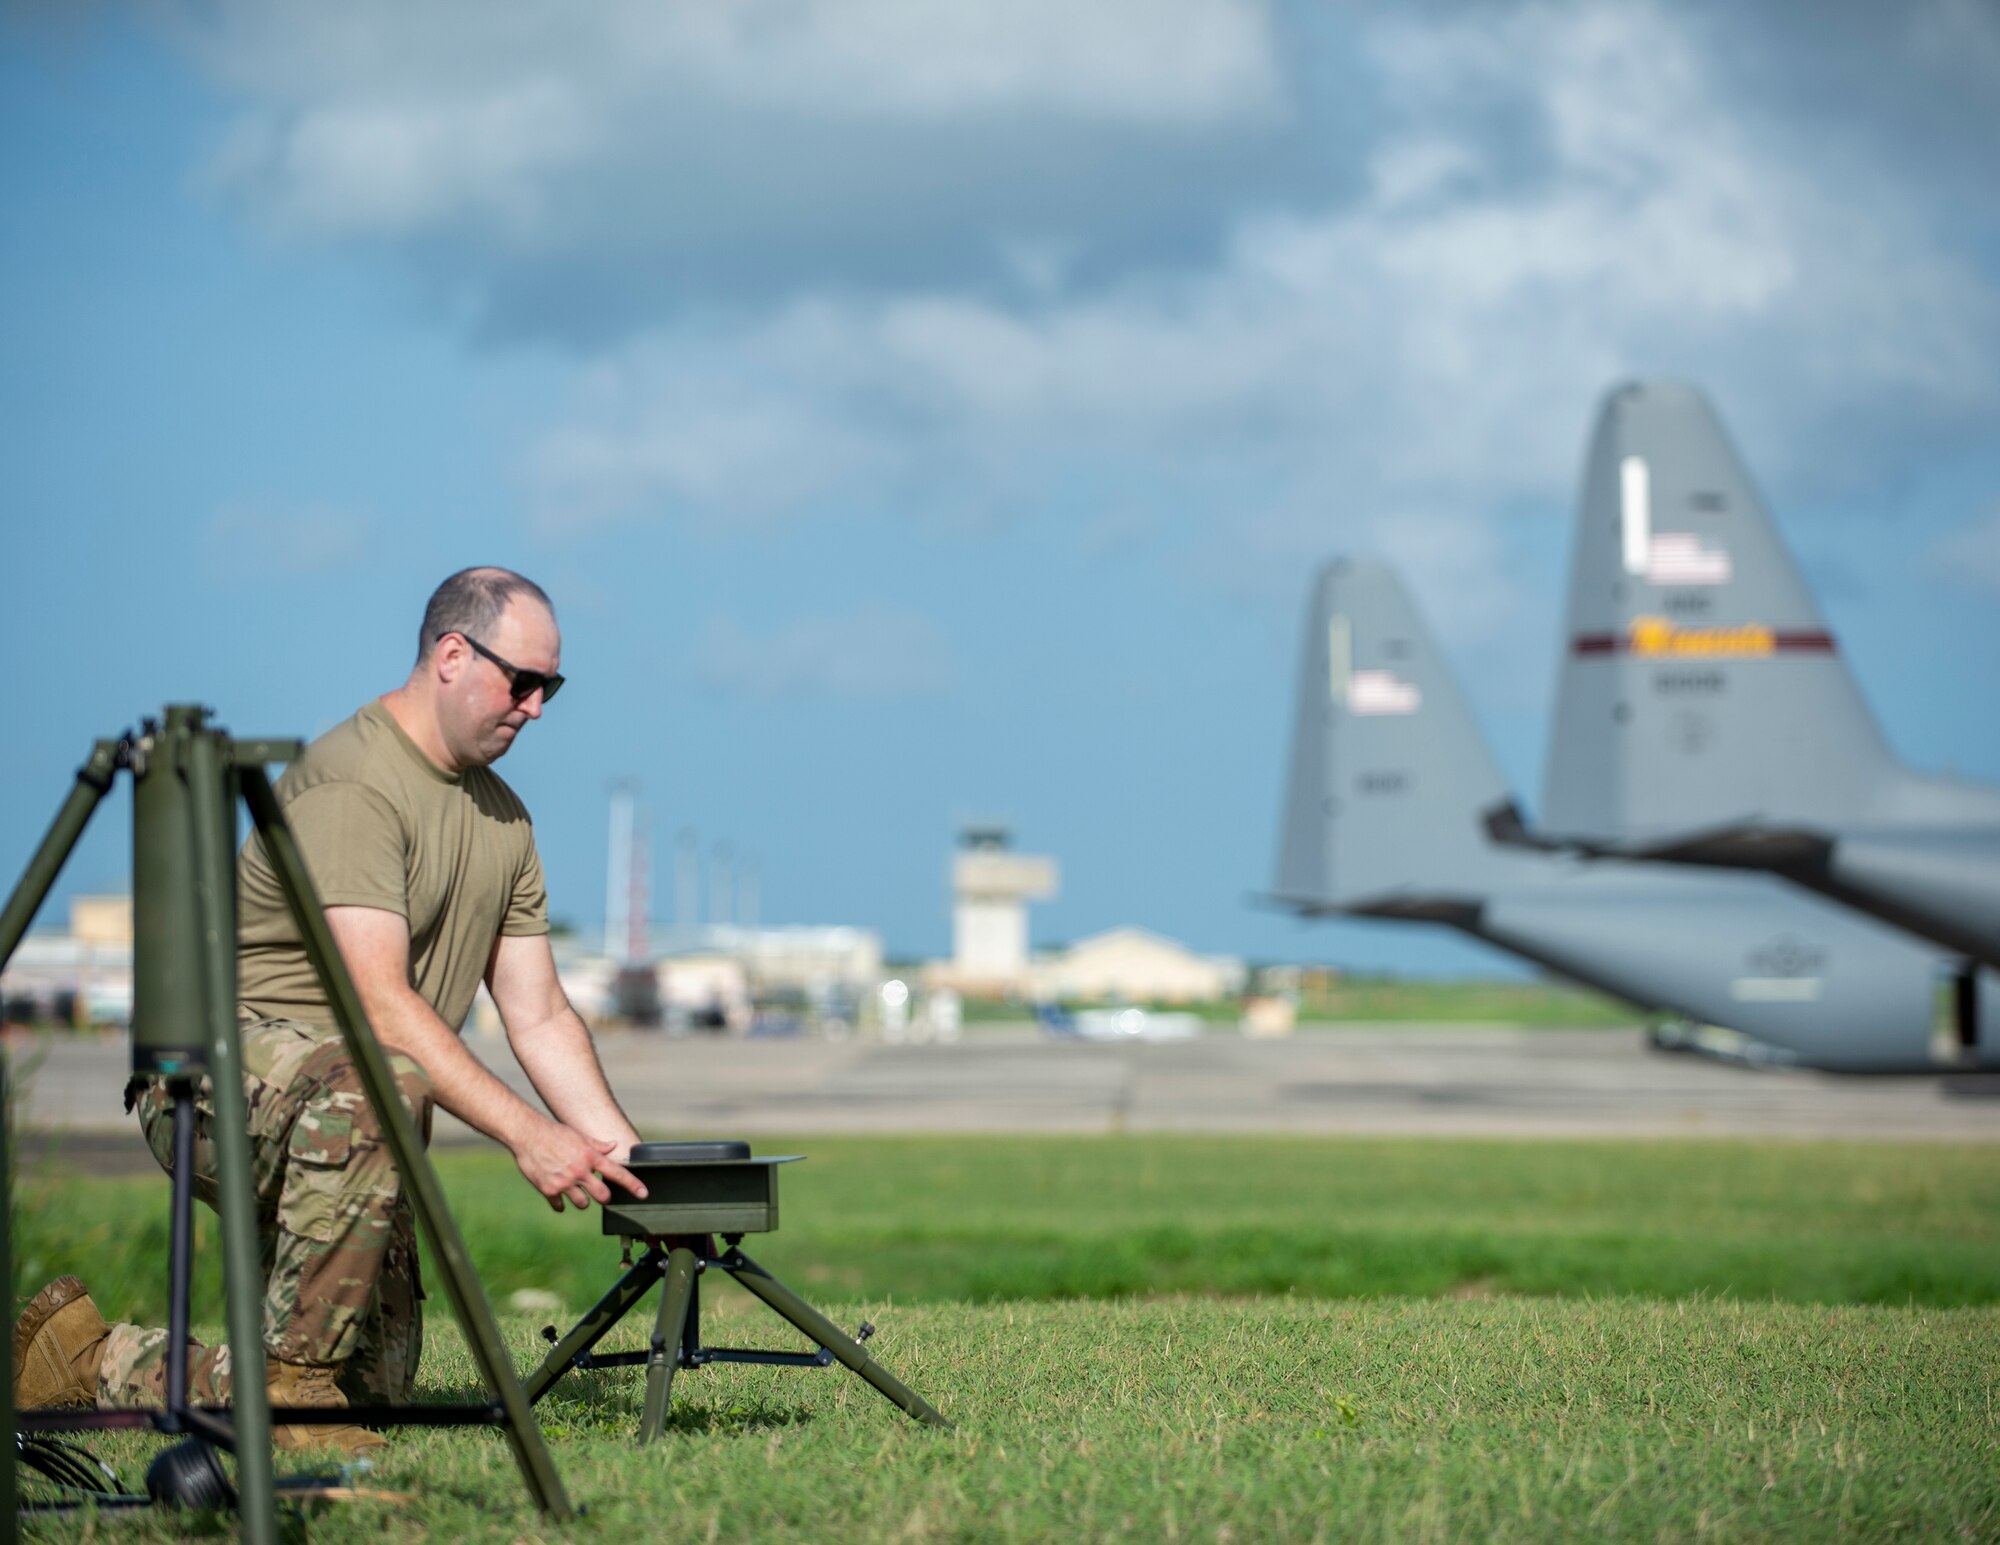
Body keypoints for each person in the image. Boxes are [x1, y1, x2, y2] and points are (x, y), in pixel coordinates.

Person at [12, 567, 648, 1454]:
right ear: (453, 655)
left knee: (374, 1390)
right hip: (219, 1080)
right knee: (376, 1085)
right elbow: (378, 1005)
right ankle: (294, 1400)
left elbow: (538, 1013)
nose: (538, 707)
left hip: (356, 1115)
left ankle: (83, 1358)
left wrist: (631, 1168)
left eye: (553, 687)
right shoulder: (353, 782)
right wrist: (527, 1136)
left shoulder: (505, 823)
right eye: (523, 682)